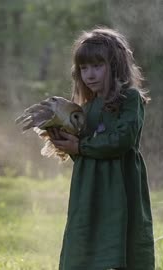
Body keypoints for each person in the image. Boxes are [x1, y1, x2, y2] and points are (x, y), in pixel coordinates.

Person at [48, 27, 155, 269]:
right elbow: (86, 153)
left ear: (115, 66)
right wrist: (66, 143)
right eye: (84, 68)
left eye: (97, 66)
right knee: (85, 232)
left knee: (119, 236)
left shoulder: (130, 99)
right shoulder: (87, 107)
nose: (89, 74)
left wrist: (81, 146)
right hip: (89, 187)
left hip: (120, 185)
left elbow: (121, 141)